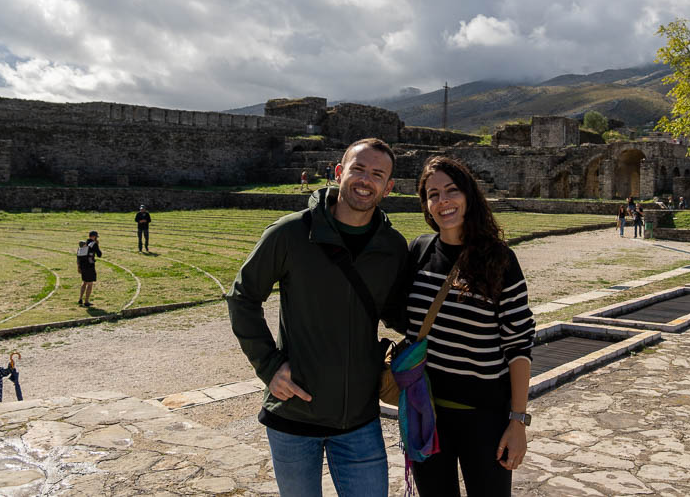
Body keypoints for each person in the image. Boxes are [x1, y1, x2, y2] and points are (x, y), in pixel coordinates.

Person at [227, 138, 409, 497]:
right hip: (293, 417)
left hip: (360, 420)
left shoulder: (392, 246)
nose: (365, 180)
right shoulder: (290, 233)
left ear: (388, 188)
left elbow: (398, 312)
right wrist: (268, 366)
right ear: (338, 173)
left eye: (377, 174)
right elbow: (243, 296)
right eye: (358, 169)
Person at [408, 156, 535, 497]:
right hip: (426, 414)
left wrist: (517, 421)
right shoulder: (418, 252)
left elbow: (519, 346)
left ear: (469, 196)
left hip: (484, 420)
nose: (443, 201)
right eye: (433, 194)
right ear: (425, 205)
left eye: (452, 190)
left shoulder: (499, 260)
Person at [80, 230, 102, 306]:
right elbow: (99, 254)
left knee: (84, 282)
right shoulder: (94, 244)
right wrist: (97, 245)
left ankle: (80, 299)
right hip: (90, 266)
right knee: (90, 284)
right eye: (96, 237)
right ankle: (86, 301)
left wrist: (78, 267)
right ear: (94, 236)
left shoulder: (84, 244)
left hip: (82, 265)